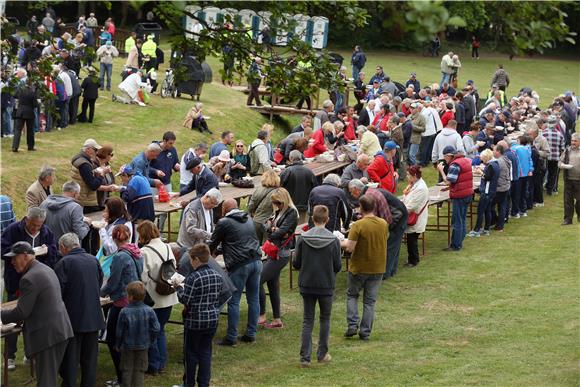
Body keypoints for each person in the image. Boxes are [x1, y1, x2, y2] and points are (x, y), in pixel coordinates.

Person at [1, 242, 73, 386]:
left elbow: (21, 312)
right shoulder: (45, 269)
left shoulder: (29, 278)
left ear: (25, 256)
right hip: (59, 331)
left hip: (48, 335)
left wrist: (1, 314)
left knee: (46, 381)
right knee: (49, 377)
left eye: (15, 258)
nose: (12, 262)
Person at [209, 199, 263, 346]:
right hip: (256, 261)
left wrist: (206, 255)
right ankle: (251, 333)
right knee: (253, 299)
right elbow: (239, 240)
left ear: (224, 209)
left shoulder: (224, 222)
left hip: (239, 264)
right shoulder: (248, 218)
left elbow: (212, 243)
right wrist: (221, 250)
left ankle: (231, 337)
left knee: (234, 301)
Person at [54, 233, 105, 387]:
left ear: (63, 247)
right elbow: (99, 282)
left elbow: (58, 293)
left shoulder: (64, 263)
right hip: (94, 317)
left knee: (71, 359)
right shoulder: (93, 260)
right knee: (89, 360)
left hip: (72, 319)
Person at [293, 205, 341, 367]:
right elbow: (338, 265)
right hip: (326, 284)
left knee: (308, 320)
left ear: (313, 219)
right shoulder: (333, 240)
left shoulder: (303, 238)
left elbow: (296, 263)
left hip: (307, 283)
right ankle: (321, 354)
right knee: (324, 319)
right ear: (327, 220)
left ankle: (305, 358)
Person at [100, 224, 143, 387]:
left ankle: (122, 378)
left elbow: (113, 282)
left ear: (114, 238)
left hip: (121, 303)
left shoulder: (119, 257)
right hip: (135, 299)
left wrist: (100, 294)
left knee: (113, 340)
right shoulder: (137, 252)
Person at [340, 195, 387, 340]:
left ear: (361, 207)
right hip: (378, 267)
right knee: (369, 301)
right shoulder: (383, 223)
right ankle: (365, 331)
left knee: (352, 295)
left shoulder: (358, 225)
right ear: (374, 207)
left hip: (359, 267)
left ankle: (352, 325)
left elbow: (349, 248)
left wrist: (340, 241)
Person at [176, 243, 223, 387]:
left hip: (195, 321)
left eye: (190, 259)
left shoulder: (193, 278)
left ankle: (189, 383)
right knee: (205, 353)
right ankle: (204, 383)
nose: (190, 262)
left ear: (195, 259)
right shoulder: (217, 275)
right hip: (212, 319)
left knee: (190, 354)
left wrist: (178, 288)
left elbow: (186, 300)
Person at [137, 221, 179, 375]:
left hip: (154, 296)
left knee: (152, 331)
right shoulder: (167, 246)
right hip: (168, 294)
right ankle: (161, 362)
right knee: (160, 330)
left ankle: (154, 364)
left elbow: (143, 277)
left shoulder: (144, 252)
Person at [258, 188, 298, 329]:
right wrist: (273, 230)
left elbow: (278, 232)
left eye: (278, 202)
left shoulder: (292, 213)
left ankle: (261, 314)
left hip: (281, 253)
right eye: (274, 202)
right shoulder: (279, 211)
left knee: (258, 280)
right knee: (272, 286)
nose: (276, 205)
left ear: (284, 200)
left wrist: (274, 229)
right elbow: (266, 227)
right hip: (274, 251)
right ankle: (277, 319)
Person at [116, 281, 160, 387]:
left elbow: (119, 332)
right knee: (140, 369)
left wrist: (118, 344)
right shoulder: (149, 311)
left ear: (130, 296)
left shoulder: (124, 312)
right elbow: (156, 328)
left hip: (127, 346)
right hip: (143, 345)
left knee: (127, 369)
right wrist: (151, 340)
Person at [436, 146, 474, 251]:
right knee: (462, 219)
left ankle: (456, 245)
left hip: (459, 196)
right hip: (467, 193)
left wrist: (441, 170)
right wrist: (449, 188)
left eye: (445, 157)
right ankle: (459, 242)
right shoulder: (465, 160)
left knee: (457, 221)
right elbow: (462, 179)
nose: (445, 160)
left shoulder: (455, 165)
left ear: (449, 155)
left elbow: (448, 180)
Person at [71, 138, 117, 214]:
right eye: (95, 150)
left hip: (82, 197)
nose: (96, 152)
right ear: (88, 149)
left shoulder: (80, 159)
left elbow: (85, 177)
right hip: (85, 201)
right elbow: (93, 185)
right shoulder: (85, 164)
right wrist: (102, 174)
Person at [468, 149, 500, 237]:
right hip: (492, 191)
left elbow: (487, 177)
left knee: (481, 211)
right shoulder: (496, 164)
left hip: (487, 191)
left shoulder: (490, 165)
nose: (482, 160)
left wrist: (480, 172)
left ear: (486, 158)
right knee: (487, 210)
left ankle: (476, 230)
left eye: (482, 158)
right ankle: (486, 229)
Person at [401, 166, 429, 267]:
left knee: (412, 240)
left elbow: (412, 206)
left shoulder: (421, 188)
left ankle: (413, 261)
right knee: (410, 239)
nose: (407, 176)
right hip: (412, 214)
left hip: (415, 216)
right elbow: (407, 198)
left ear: (415, 176)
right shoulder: (413, 184)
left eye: (409, 175)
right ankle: (412, 259)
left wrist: (400, 209)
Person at [280, 150, 318, 223]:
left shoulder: (286, 171)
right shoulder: (309, 171)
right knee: (302, 227)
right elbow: (315, 187)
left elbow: (280, 188)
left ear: (290, 158)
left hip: (290, 206)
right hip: (305, 205)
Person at [248, 170, 280, 244]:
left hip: (256, 221)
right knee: (267, 247)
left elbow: (250, 206)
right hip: (270, 223)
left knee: (255, 245)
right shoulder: (278, 192)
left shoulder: (258, 189)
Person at [12, 77, 39, 152]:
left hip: (20, 111)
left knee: (17, 130)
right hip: (29, 112)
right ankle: (30, 146)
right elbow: (35, 105)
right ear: (31, 84)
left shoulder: (20, 90)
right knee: (30, 130)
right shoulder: (32, 92)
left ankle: (15, 147)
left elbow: (14, 95)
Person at [559, 133, 580, 225]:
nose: (573, 142)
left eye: (575, 141)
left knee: (579, 200)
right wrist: (563, 165)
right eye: (572, 140)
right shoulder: (567, 150)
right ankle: (568, 219)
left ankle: (579, 214)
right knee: (567, 200)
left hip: (579, 180)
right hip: (568, 179)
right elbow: (560, 162)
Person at [543, 115, 565, 196]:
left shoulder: (543, 133)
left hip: (545, 157)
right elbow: (562, 148)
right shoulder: (559, 134)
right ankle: (550, 189)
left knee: (544, 172)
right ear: (555, 124)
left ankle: (544, 187)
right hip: (555, 157)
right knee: (553, 174)